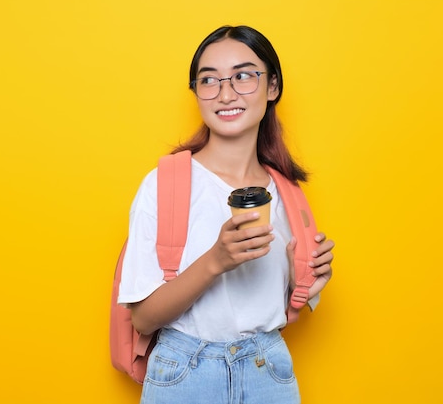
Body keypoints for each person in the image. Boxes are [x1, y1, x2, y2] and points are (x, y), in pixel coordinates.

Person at [117, 25, 335, 404]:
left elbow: (286, 301)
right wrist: (216, 261)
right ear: (197, 93)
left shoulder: (288, 192)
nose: (226, 93)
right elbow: (143, 319)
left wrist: (306, 281)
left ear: (272, 87)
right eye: (209, 80)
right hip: (185, 374)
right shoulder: (164, 185)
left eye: (244, 76)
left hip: (269, 372)